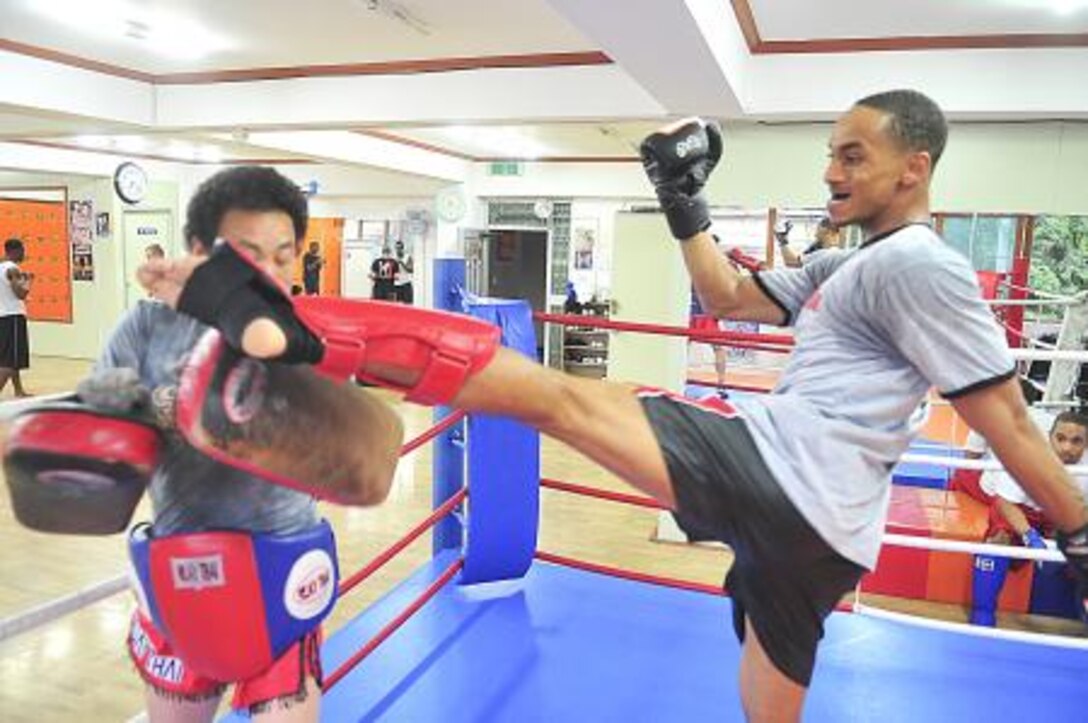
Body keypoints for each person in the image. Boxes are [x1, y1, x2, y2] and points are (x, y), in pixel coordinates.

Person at [142, 91, 1088, 723]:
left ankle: (297, 325)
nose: (832, 171)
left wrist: (1080, 531)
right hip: (829, 530)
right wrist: (684, 199)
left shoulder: (924, 264)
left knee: (561, 396)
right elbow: (725, 296)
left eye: (852, 156)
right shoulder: (858, 262)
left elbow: (1003, 418)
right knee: (775, 673)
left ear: (914, 169)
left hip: (785, 472)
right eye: (830, 154)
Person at [43, 166, 403, 722]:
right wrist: (152, 406)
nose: (268, 271)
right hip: (181, 565)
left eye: (282, 255)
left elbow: (357, 447)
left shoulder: (307, 332)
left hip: (284, 566)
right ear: (197, 252)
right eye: (247, 255)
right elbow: (99, 422)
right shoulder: (144, 327)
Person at [970, 410, 1088, 626]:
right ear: (1050, 436)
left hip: (1060, 513)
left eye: (1076, 441)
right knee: (999, 540)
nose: (1067, 448)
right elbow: (1005, 503)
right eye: (1060, 439)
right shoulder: (1028, 455)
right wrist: (1029, 536)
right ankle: (982, 614)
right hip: (1019, 508)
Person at [0, 237, 33, 397]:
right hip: (12, 317)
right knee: (9, 361)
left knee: (12, 357)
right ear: (15, 251)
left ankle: (18, 390)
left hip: (3, 317)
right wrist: (28, 282)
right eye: (22, 251)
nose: (24, 254)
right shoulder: (13, 269)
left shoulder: (1, 266)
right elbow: (20, 294)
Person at [393, 239, 414, 304]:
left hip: (406, 283)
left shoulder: (408, 257)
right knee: (397, 305)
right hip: (397, 284)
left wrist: (401, 263)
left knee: (408, 304)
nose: (398, 250)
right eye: (397, 248)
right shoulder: (393, 258)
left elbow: (411, 270)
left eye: (400, 248)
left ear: (403, 248)